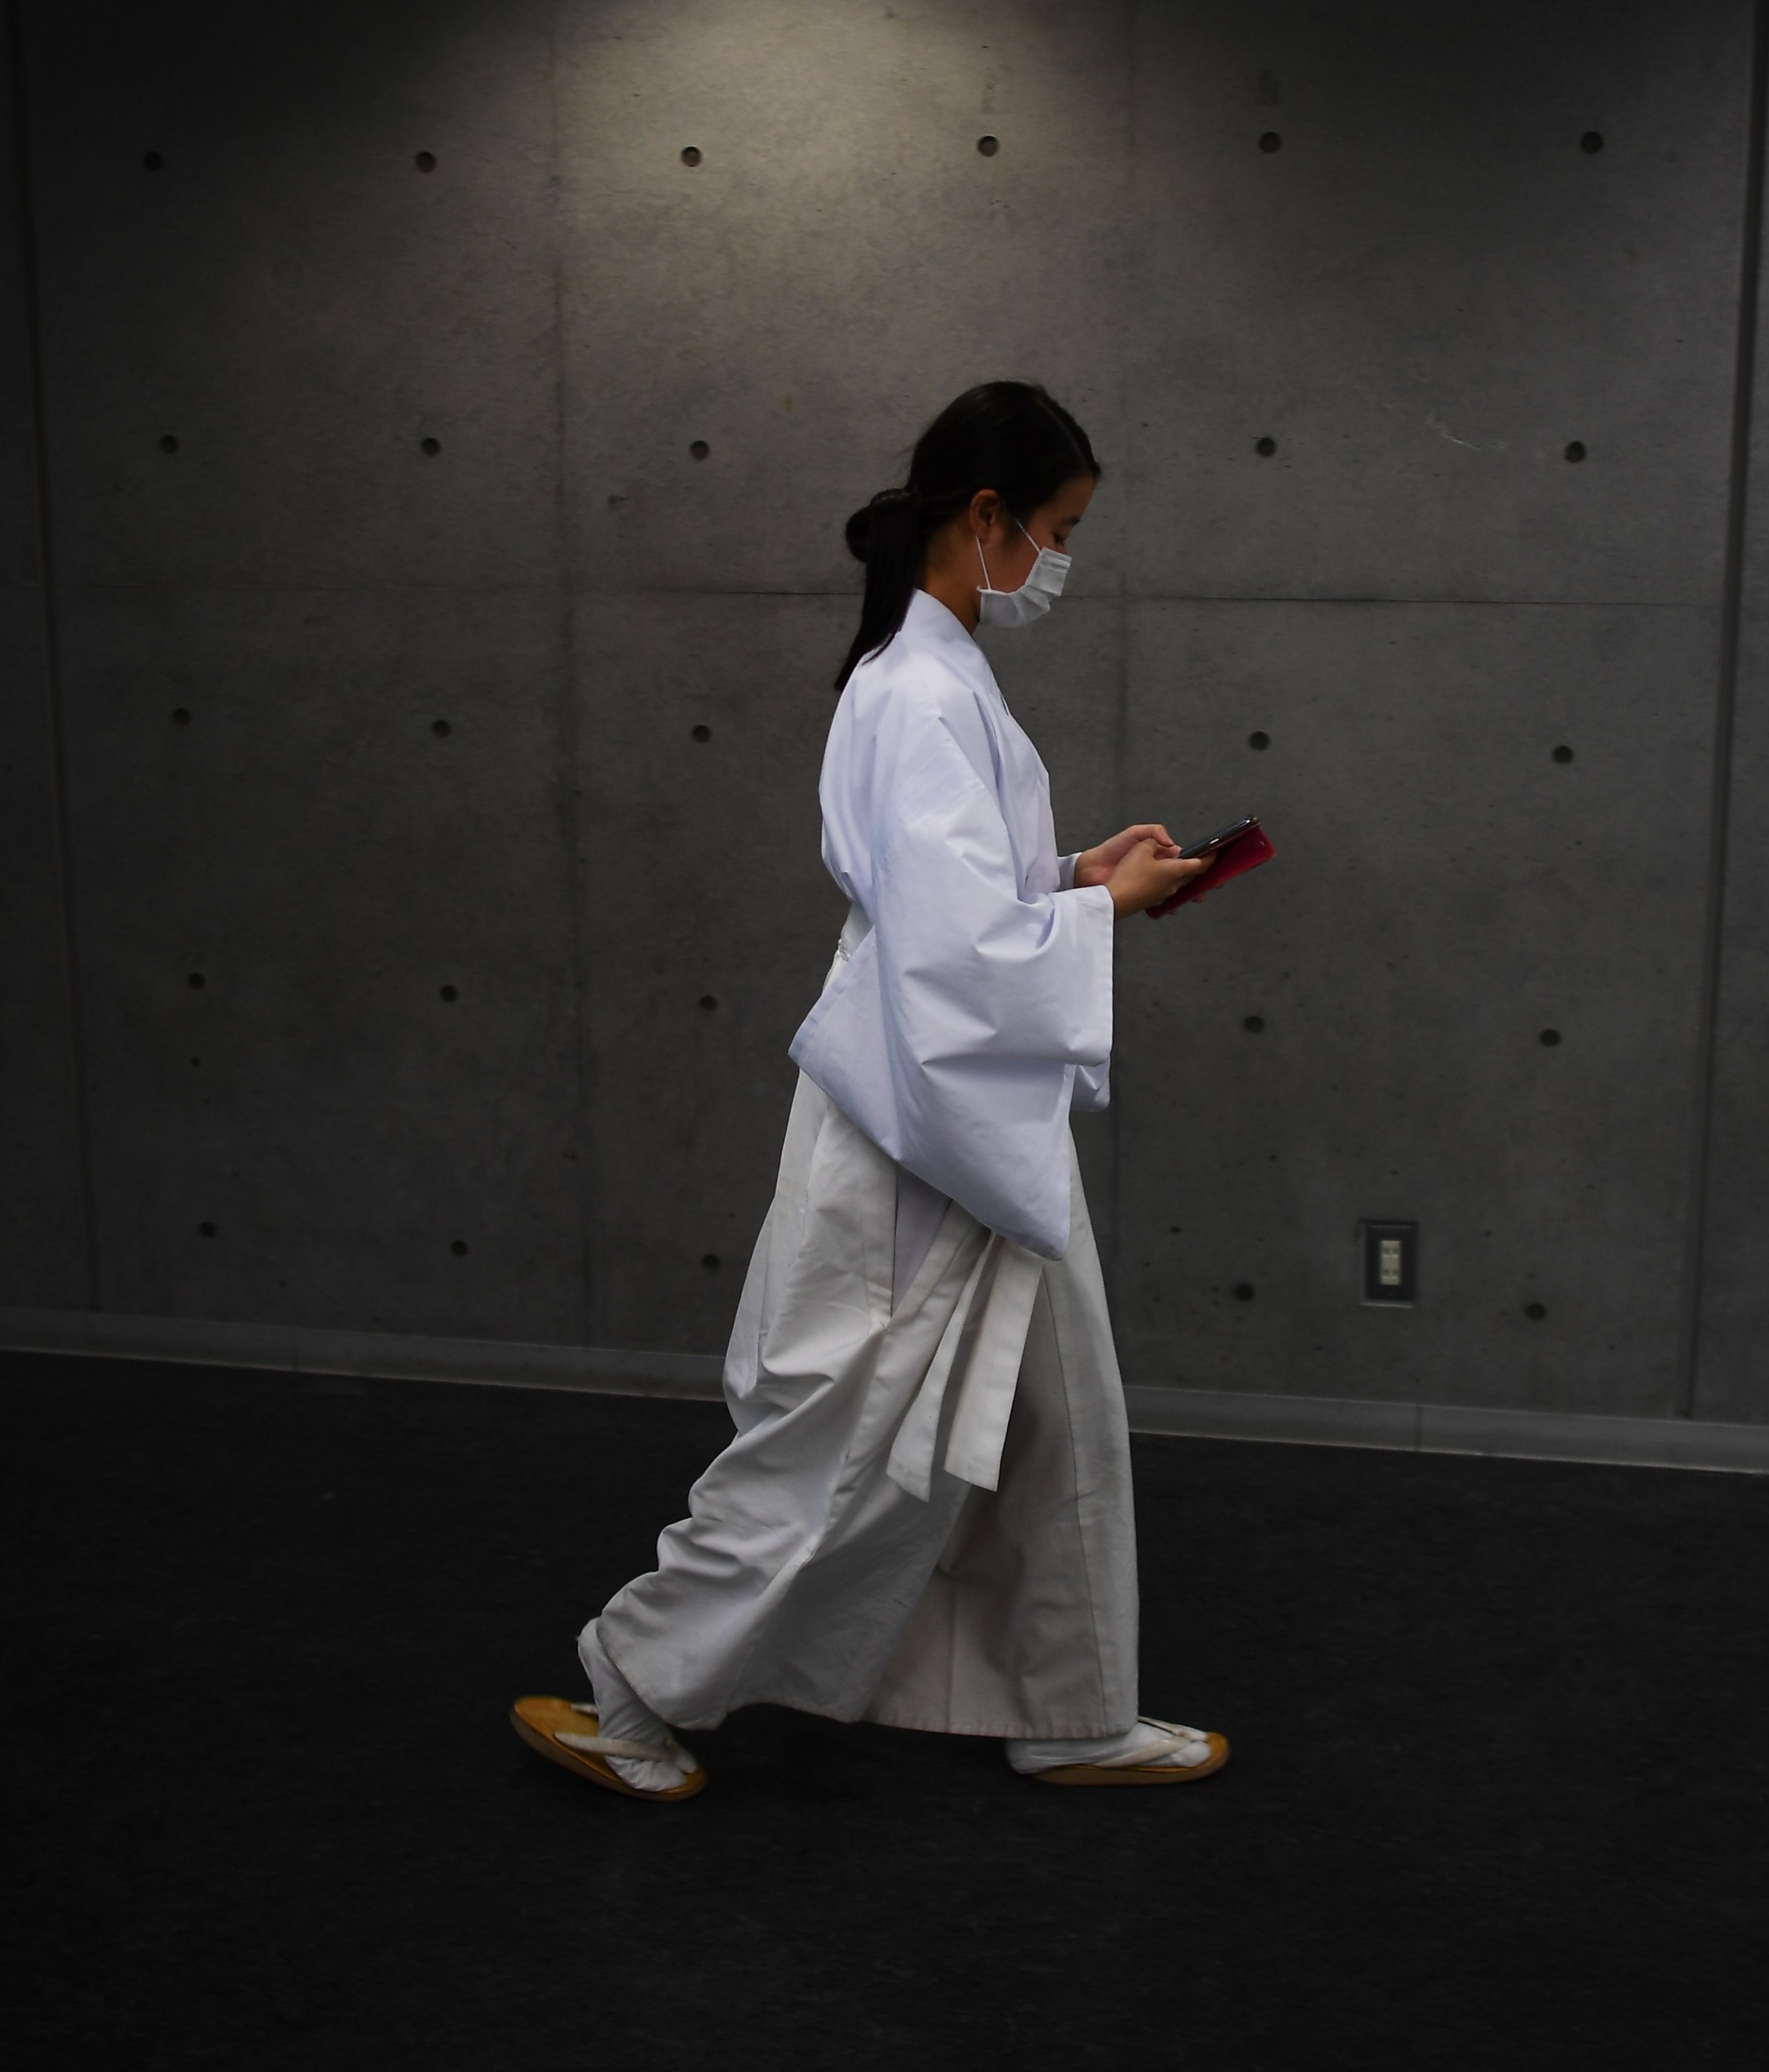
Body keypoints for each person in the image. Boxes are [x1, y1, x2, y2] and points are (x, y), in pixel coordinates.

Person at [510, 382, 1229, 1800]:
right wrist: (1102, 917)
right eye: (1060, 531)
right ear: (986, 519)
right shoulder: (914, 693)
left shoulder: (940, 677)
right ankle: (634, 1689)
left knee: (1062, 1411)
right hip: (923, 1127)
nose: (1065, 563)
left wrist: (1077, 881)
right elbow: (952, 949)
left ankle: (1075, 1705)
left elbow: (959, 907)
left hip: (965, 1101)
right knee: (842, 1449)